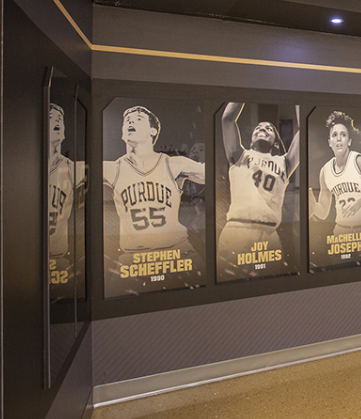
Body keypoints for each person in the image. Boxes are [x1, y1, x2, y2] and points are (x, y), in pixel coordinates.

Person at [103, 106, 205, 283]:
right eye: (127, 120)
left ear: (153, 130)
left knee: (204, 299)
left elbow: (222, 173)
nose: (130, 121)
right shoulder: (112, 168)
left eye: (138, 118)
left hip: (178, 251)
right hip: (135, 258)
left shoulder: (174, 164)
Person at [218, 102, 299, 273]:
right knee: (232, 290)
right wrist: (245, 81)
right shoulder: (240, 155)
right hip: (237, 229)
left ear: (276, 143)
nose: (262, 128)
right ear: (251, 139)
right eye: (258, 127)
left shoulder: (283, 162)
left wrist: (298, 95)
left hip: (269, 233)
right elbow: (227, 119)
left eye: (269, 129)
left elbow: (304, 130)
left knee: (270, 291)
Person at [310, 111, 361, 258]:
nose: (339, 139)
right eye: (334, 135)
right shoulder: (325, 171)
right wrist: (311, 206)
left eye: (343, 134)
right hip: (342, 233)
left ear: (349, 141)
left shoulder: (358, 161)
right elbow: (323, 212)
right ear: (330, 142)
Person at [48, 103, 76, 291]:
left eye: (60, 119)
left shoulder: (73, 169)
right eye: (51, 117)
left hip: (58, 256)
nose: (57, 121)